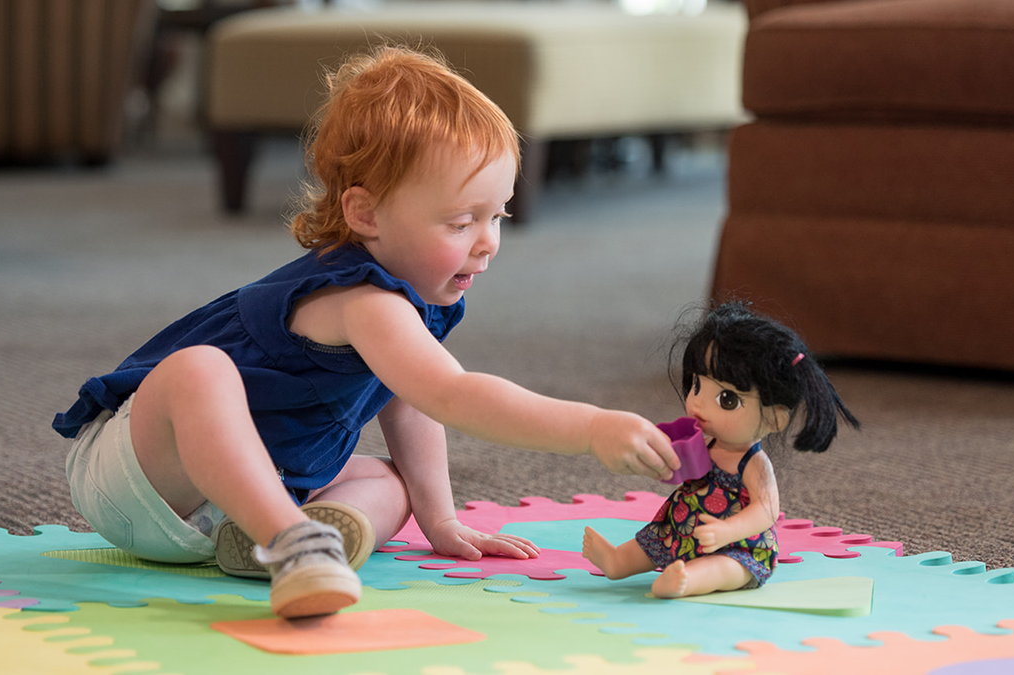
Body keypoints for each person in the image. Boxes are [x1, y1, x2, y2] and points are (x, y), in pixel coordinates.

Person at [53, 45, 679, 619]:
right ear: (365, 213)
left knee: (390, 482)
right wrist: (590, 427)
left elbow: (407, 399)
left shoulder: (414, 303)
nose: (488, 243)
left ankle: (286, 536)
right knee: (199, 369)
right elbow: (452, 396)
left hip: (236, 496)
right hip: (141, 473)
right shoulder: (361, 299)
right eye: (463, 221)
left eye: (499, 216)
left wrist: (438, 517)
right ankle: (293, 541)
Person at [582, 301, 859, 598]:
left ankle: (688, 580)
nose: (698, 403)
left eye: (727, 399)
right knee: (652, 540)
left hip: (738, 545)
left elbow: (767, 510)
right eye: (697, 386)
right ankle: (617, 561)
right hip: (682, 526)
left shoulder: (754, 463)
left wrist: (728, 531)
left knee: (726, 569)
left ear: (774, 418)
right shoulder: (704, 439)